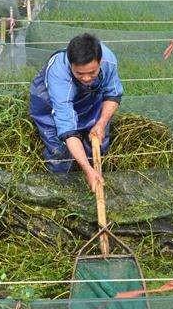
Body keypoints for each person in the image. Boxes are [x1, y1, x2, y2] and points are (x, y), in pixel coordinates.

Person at [29, 33, 123, 193]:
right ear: (70, 64)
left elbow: (112, 94)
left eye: (92, 72)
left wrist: (100, 123)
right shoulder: (59, 74)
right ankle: (62, 190)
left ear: (100, 62)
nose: (86, 78)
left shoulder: (108, 60)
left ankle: (96, 180)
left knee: (99, 139)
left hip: (88, 98)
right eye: (80, 73)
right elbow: (67, 129)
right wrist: (87, 170)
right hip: (49, 103)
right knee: (60, 151)